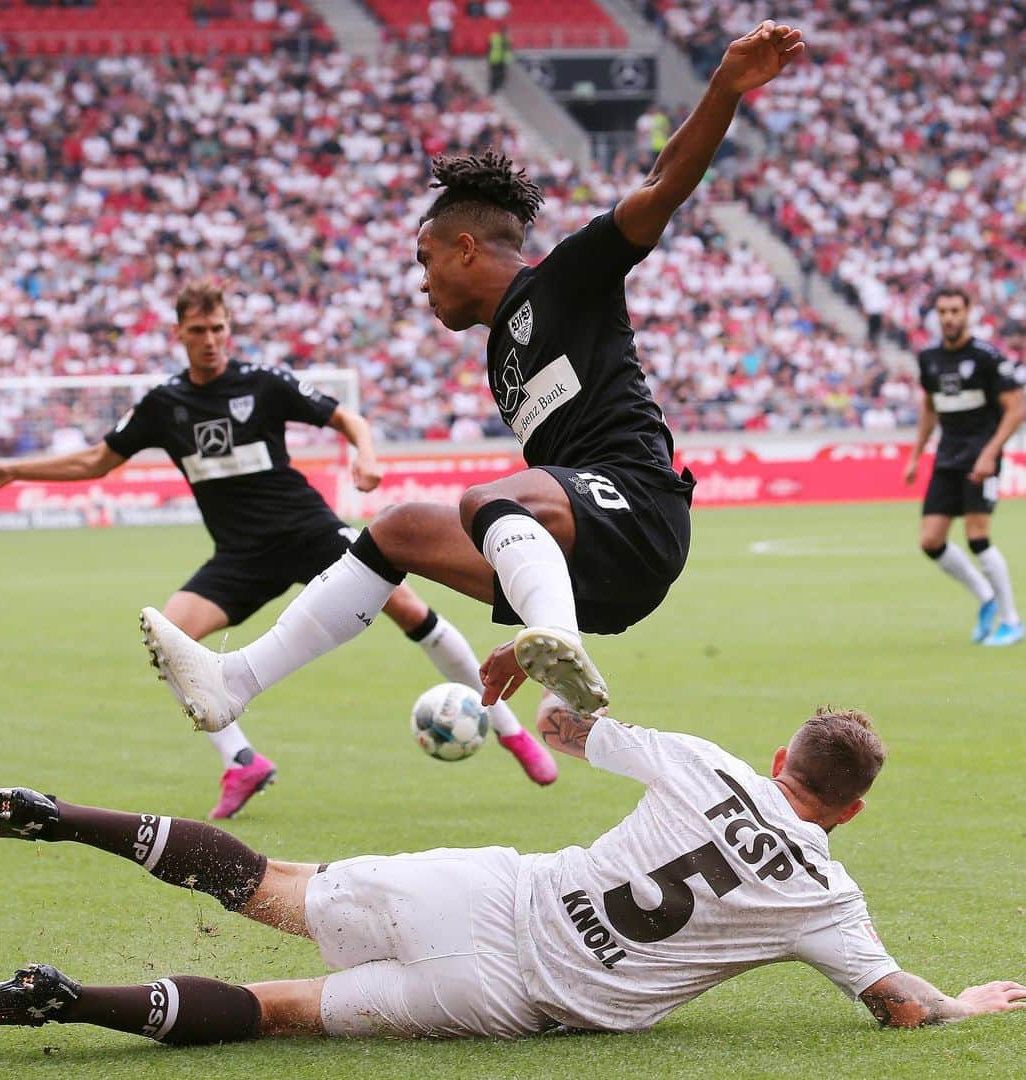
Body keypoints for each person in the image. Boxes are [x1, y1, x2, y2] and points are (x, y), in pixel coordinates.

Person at [139, 21, 807, 739]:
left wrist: (725, 85)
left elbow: (661, 183)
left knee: (484, 499)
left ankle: (556, 640)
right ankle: (234, 680)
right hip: (590, 568)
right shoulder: (500, 351)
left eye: (425, 260)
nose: (421, 282)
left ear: (464, 248)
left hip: (638, 513)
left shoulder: (567, 279)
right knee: (395, 531)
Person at [0, 699, 1024, 1042]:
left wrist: (523, 681)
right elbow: (903, 1009)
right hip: (511, 994)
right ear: (853, 807)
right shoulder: (825, 896)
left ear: (782, 762)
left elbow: (566, 722)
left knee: (268, 883)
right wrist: (964, 1005)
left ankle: (60, 816)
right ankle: (62, 1001)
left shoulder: (708, 764)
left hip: (492, 888)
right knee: (279, 1008)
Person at [0, 283, 557, 803]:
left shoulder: (263, 382)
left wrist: (367, 455)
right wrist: (17, 472)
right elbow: (96, 460)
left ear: (230, 328)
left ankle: (510, 731)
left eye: (219, 328)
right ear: (179, 334)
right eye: (198, 331)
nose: (210, 340)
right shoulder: (162, 405)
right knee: (169, 642)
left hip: (307, 531)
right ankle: (242, 762)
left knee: (407, 608)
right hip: (240, 555)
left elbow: (346, 419)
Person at [903, 287, 1025, 646]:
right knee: (930, 540)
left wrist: (991, 453)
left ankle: (1012, 620)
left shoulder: (987, 357)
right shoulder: (929, 359)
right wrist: (915, 455)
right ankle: (985, 596)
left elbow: (1016, 408)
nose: (949, 318)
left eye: (955, 310)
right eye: (943, 312)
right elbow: (929, 407)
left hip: (981, 458)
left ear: (968, 312)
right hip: (948, 457)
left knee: (977, 537)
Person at [487, 24, 512, 94]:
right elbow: (507, 50)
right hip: (500, 59)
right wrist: (508, 60)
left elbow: (489, 47)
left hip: (493, 58)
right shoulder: (506, 39)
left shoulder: (494, 37)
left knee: (494, 74)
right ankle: (496, 88)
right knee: (498, 74)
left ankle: (493, 89)